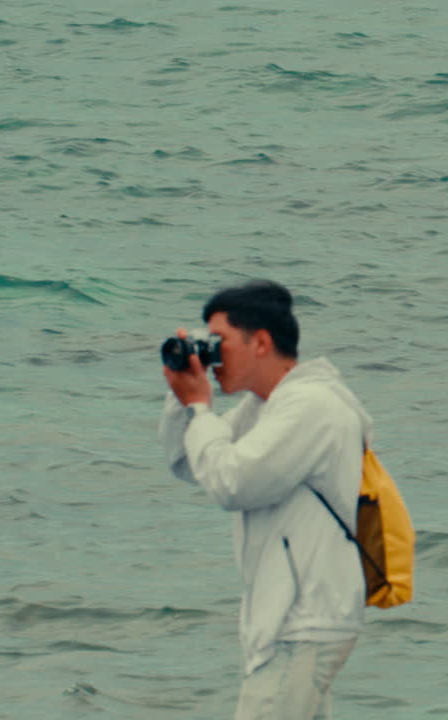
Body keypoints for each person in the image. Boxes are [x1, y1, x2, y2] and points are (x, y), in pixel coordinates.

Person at [158, 280, 370, 720]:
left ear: (261, 342)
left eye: (220, 343)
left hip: (302, 621)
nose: (212, 356)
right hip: (292, 621)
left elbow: (231, 483)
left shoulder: (311, 407)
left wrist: (201, 409)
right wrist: (183, 398)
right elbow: (188, 461)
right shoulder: (267, 407)